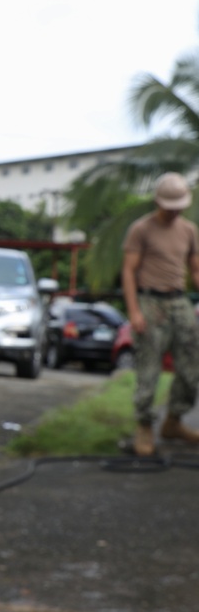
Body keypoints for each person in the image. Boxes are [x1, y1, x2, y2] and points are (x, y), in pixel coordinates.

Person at [121, 172, 199, 457]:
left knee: (192, 368)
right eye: (170, 204)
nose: (174, 209)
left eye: (179, 204)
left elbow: (196, 269)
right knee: (149, 370)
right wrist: (134, 311)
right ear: (158, 201)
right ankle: (144, 425)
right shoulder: (141, 229)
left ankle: (174, 421)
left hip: (179, 301)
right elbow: (128, 271)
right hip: (150, 301)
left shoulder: (189, 230)